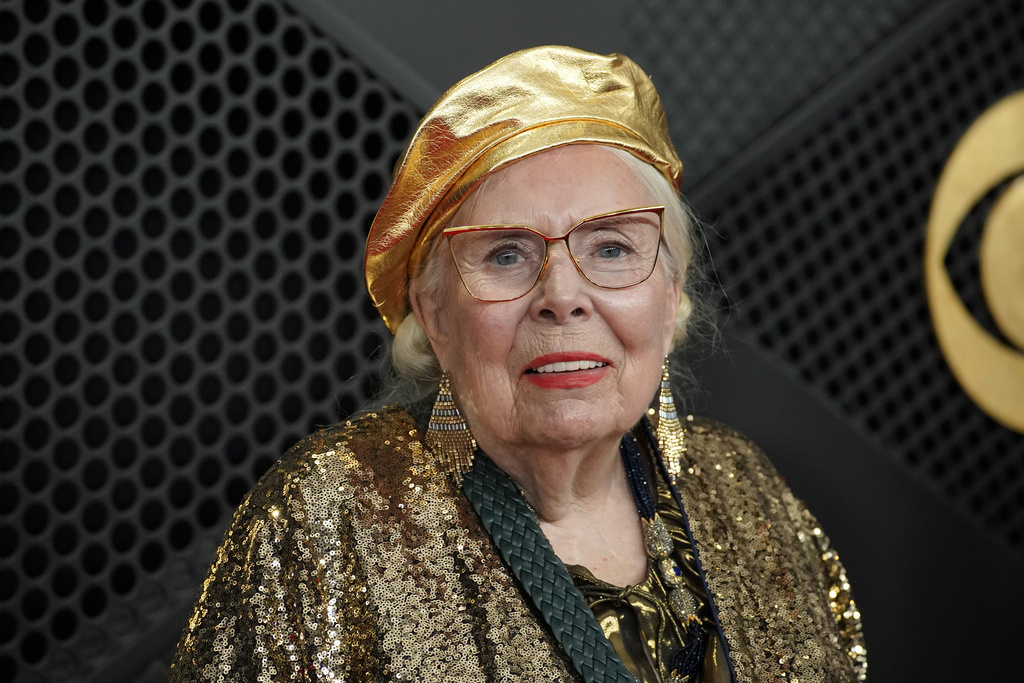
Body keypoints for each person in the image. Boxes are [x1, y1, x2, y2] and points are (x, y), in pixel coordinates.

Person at [169, 46, 866, 682]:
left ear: (671, 293)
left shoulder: (743, 488)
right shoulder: (332, 514)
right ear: (436, 315)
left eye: (612, 248)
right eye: (506, 254)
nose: (562, 296)